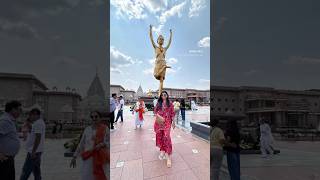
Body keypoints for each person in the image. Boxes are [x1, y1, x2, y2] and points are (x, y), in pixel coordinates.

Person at [70, 111, 109, 180]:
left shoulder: (105, 129)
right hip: (88, 157)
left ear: (100, 118)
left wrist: (102, 144)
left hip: (100, 157)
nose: (94, 118)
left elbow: (108, 141)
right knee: (87, 176)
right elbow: (81, 144)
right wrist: (74, 156)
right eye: (92, 117)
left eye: (96, 116)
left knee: (99, 176)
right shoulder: (87, 129)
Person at [20, 108, 46, 180]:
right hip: (37, 151)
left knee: (26, 171)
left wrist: (33, 151)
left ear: (35, 115)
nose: (29, 117)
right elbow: (35, 134)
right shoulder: (38, 123)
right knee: (36, 171)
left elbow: (38, 137)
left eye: (30, 115)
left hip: (34, 152)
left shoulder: (38, 123)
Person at [0, 100, 22, 180]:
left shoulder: (10, 120)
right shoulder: (4, 121)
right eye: (19, 110)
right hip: (3, 159)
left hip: (9, 158)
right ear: (13, 109)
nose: (20, 112)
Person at [154, 91, 175, 168]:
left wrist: (174, 122)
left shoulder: (170, 103)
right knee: (160, 136)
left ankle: (168, 155)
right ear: (160, 96)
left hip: (167, 122)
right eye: (162, 95)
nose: (163, 96)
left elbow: (172, 113)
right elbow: (155, 111)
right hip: (160, 122)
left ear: (167, 95)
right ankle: (162, 150)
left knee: (166, 136)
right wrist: (158, 116)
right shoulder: (158, 103)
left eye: (165, 95)